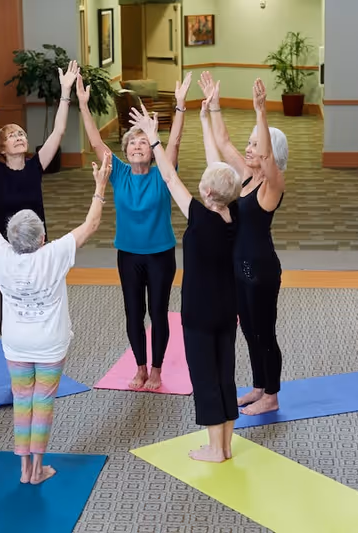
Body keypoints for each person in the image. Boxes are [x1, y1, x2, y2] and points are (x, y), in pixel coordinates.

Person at [0, 146, 112, 484]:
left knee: (23, 402)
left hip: (16, 344)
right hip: (50, 345)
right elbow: (91, 224)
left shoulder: (2, 254)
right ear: (41, 238)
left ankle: (24, 469)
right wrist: (99, 186)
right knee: (43, 403)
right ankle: (37, 468)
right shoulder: (52, 254)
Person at [129, 101, 242, 462]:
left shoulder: (198, 216)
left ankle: (214, 449)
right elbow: (218, 170)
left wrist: (153, 139)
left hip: (199, 314)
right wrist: (207, 117)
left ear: (207, 193)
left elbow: (168, 178)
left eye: (205, 182)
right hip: (227, 311)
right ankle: (225, 444)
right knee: (225, 373)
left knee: (205, 376)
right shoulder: (231, 216)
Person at [76, 72, 192, 390]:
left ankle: (156, 370)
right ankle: (140, 368)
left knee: (158, 312)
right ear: (125, 151)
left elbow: (177, 141)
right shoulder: (119, 174)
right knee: (133, 313)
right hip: (128, 254)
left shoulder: (162, 173)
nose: (138, 145)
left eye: (144, 142)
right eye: (132, 142)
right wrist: (84, 106)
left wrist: (180, 106)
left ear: (152, 151)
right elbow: (97, 142)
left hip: (160, 254)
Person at [198, 72, 288, 416]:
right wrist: (215, 105)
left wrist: (261, 111)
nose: (249, 149)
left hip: (261, 270)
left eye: (255, 144)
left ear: (270, 154)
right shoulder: (246, 176)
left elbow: (266, 156)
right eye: (249, 144)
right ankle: (258, 386)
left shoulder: (271, 186)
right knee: (249, 331)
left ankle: (272, 395)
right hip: (238, 267)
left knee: (264, 332)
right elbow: (222, 142)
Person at [0, 62, 80, 333]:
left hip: (38, 246)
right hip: (4, 249)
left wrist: (65, 92)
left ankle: (39, 340)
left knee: (41, 299)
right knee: (4, 304)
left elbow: (58, 132)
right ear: (2, 148)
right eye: (11, 136)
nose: (19, 137)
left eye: (21, 133)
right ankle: (12, 343)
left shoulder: (36, 165)